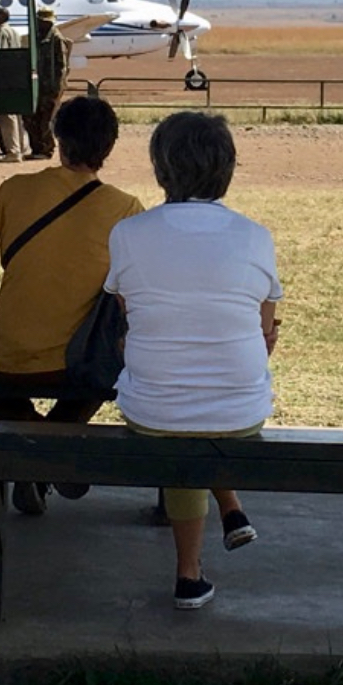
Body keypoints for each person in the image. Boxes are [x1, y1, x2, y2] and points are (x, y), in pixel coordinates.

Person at [104, 111, 281, 610]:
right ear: (227, 167)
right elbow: (267, 331)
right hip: (241, 412)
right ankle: (230, 509)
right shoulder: (255, 236)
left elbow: (128, 313)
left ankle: (189, 572)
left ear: (162, 169)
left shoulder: (128, 234)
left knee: (179, 416)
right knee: (208, 408)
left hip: (153, 411)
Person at [0, 93, 142, 515]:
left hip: (2, 357)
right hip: (74, 365)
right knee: (106, 368)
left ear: (57, 138)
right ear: (108, 148)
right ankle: (55, 453)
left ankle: (36, 461)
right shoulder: (126, 209)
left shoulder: (15, 189)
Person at [24, 8, 68, 159]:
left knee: (46, 119)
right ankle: (36, 149)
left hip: (51, 87)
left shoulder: (56, 39)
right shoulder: (36, 38)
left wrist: (57, 88)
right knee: (30, 118)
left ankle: (47, 149)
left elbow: (62, 66)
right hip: (37, 85)